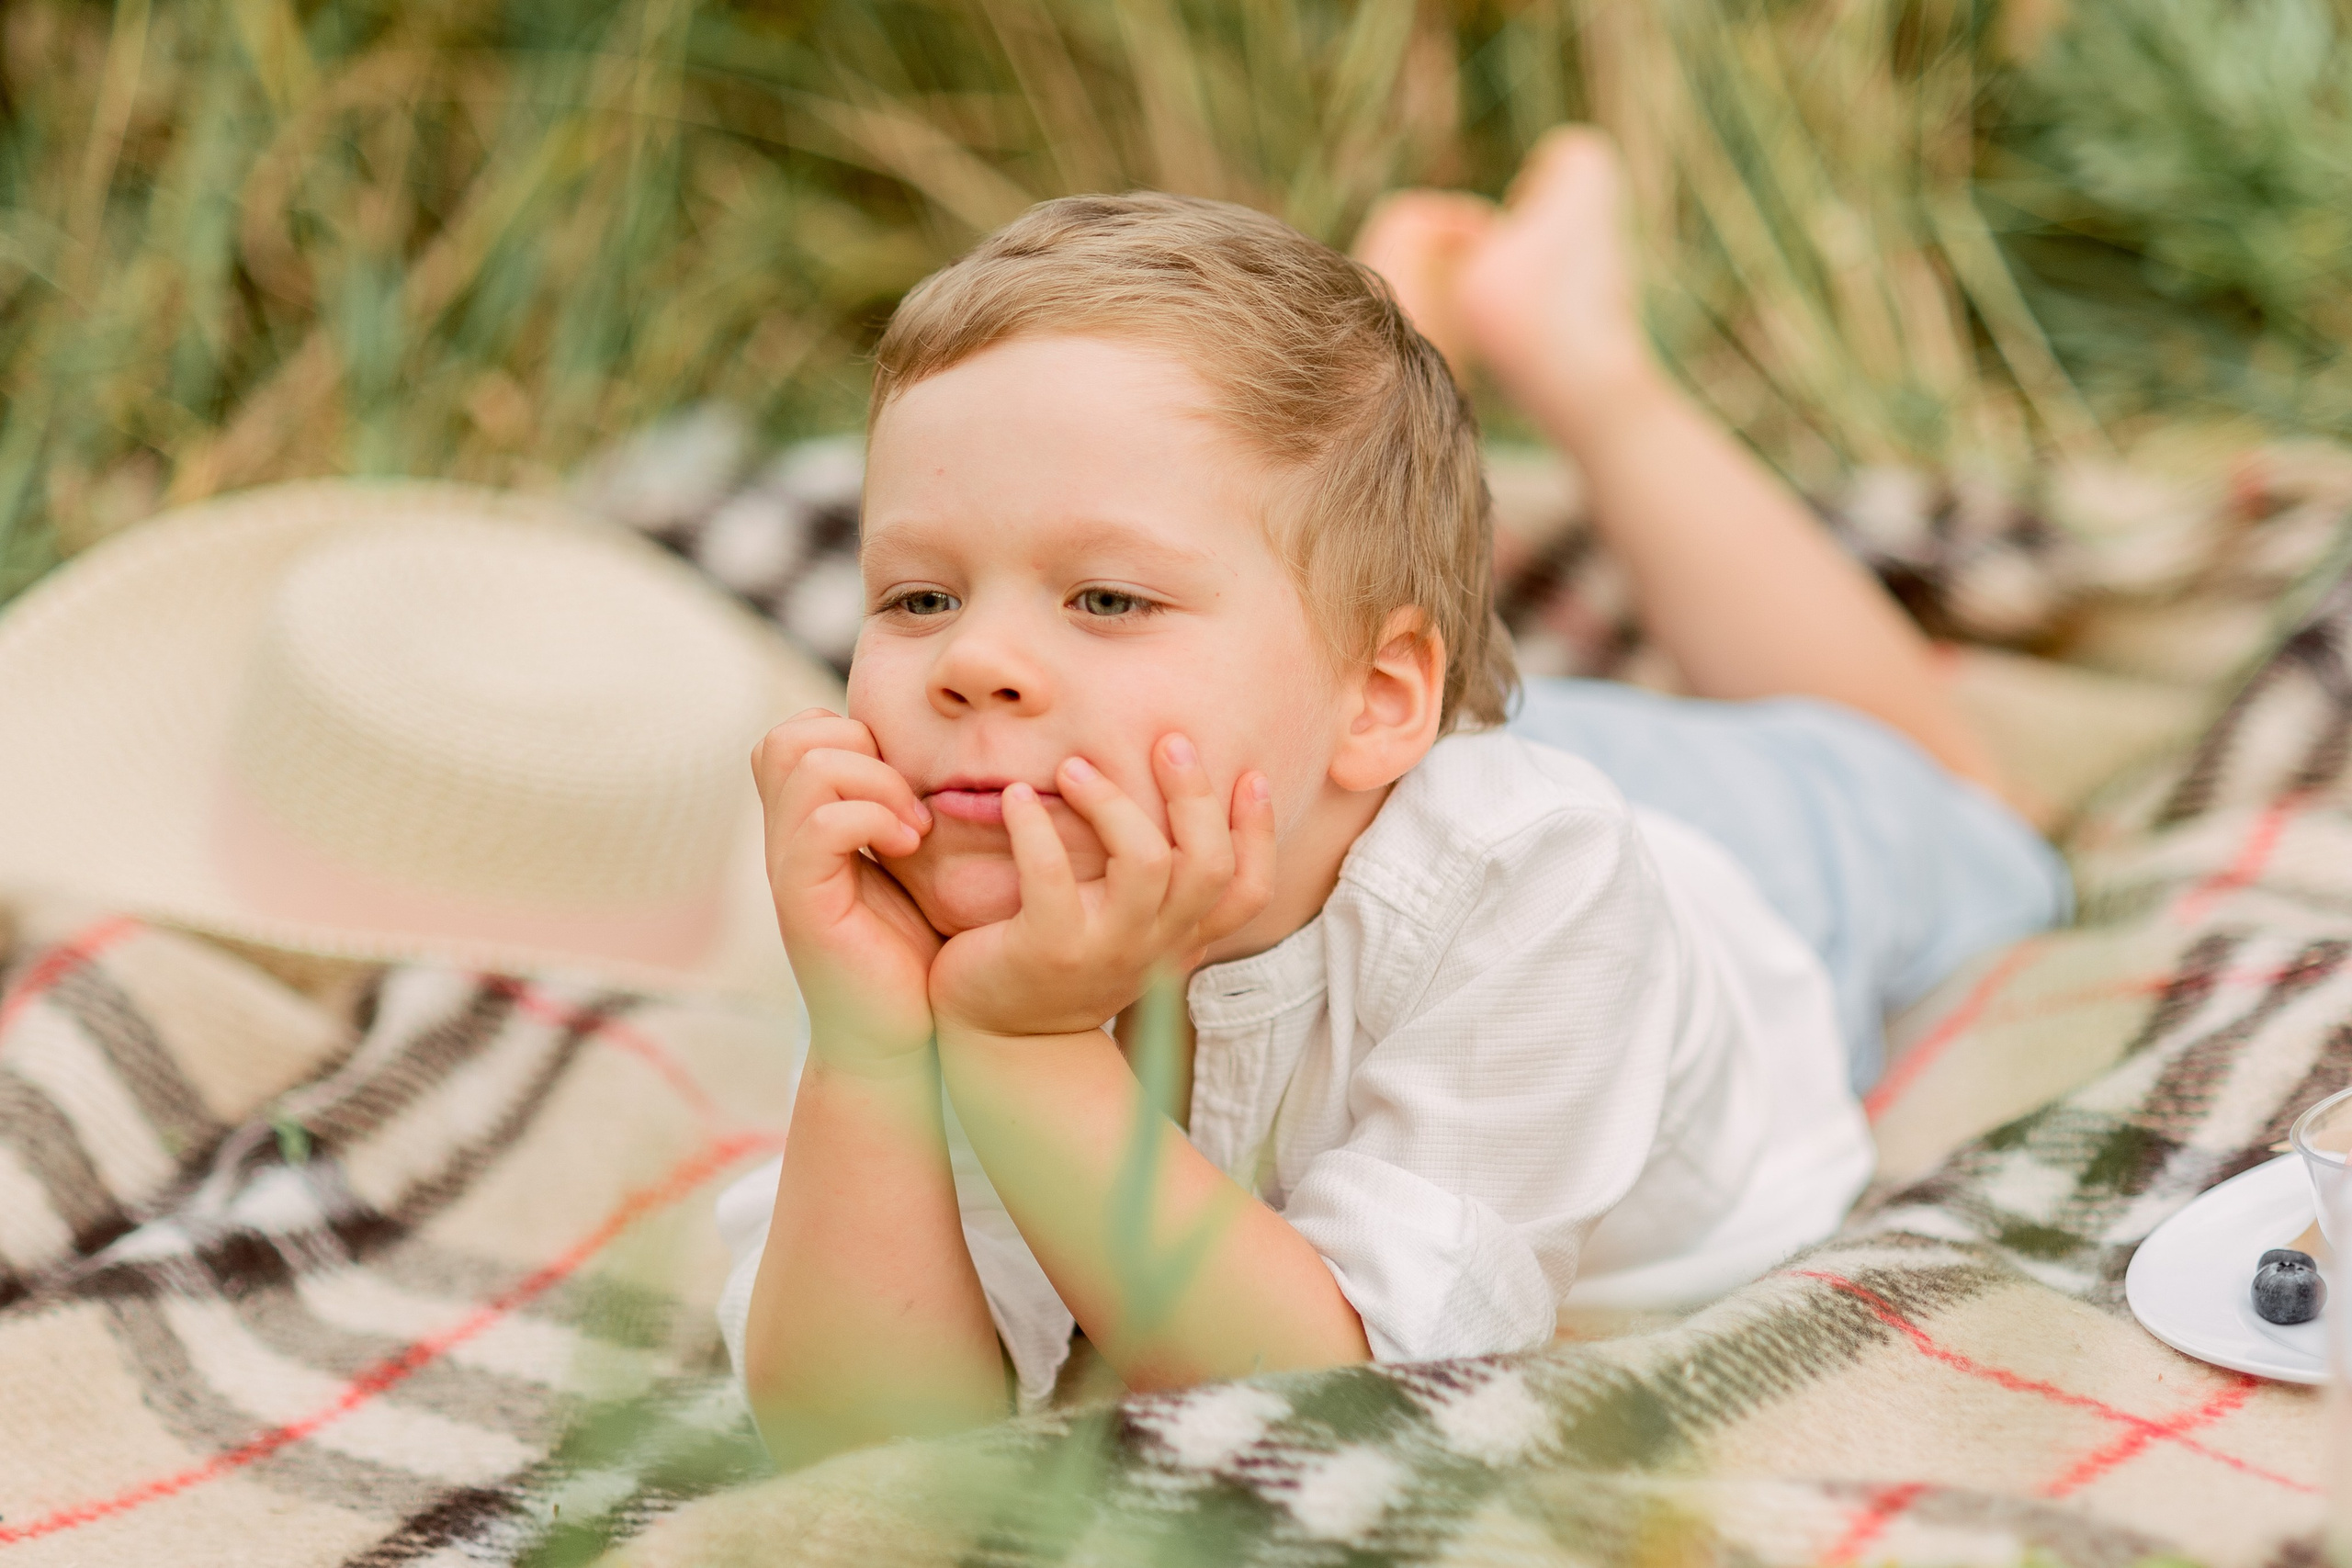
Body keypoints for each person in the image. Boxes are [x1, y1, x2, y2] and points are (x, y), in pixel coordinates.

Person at [713, 127, 2068, 1466]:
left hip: (1731, 870)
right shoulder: (933, 899)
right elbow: (866, 1448)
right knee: (1296, 512)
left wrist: (1032, 1050)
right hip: (1321, 762)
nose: (973, 663)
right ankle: (1341, 448)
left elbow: (1355, 1410)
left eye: (1107, 596)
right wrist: (871, 1055)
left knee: (1970, 807)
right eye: (917, 597)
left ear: (1379, 700)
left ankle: (1579, 361)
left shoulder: (1539, 879)